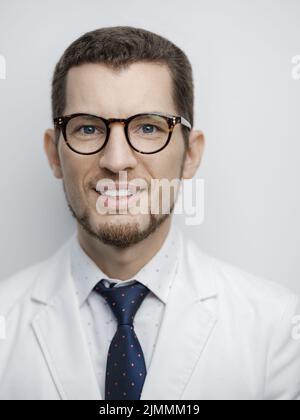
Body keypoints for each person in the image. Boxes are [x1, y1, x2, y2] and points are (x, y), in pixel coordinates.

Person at [0, 26, 299, 401]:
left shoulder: (277, 328)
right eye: (88, 128)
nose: (117, 161)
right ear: (53, 153)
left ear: (190, 154)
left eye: (148, 128)